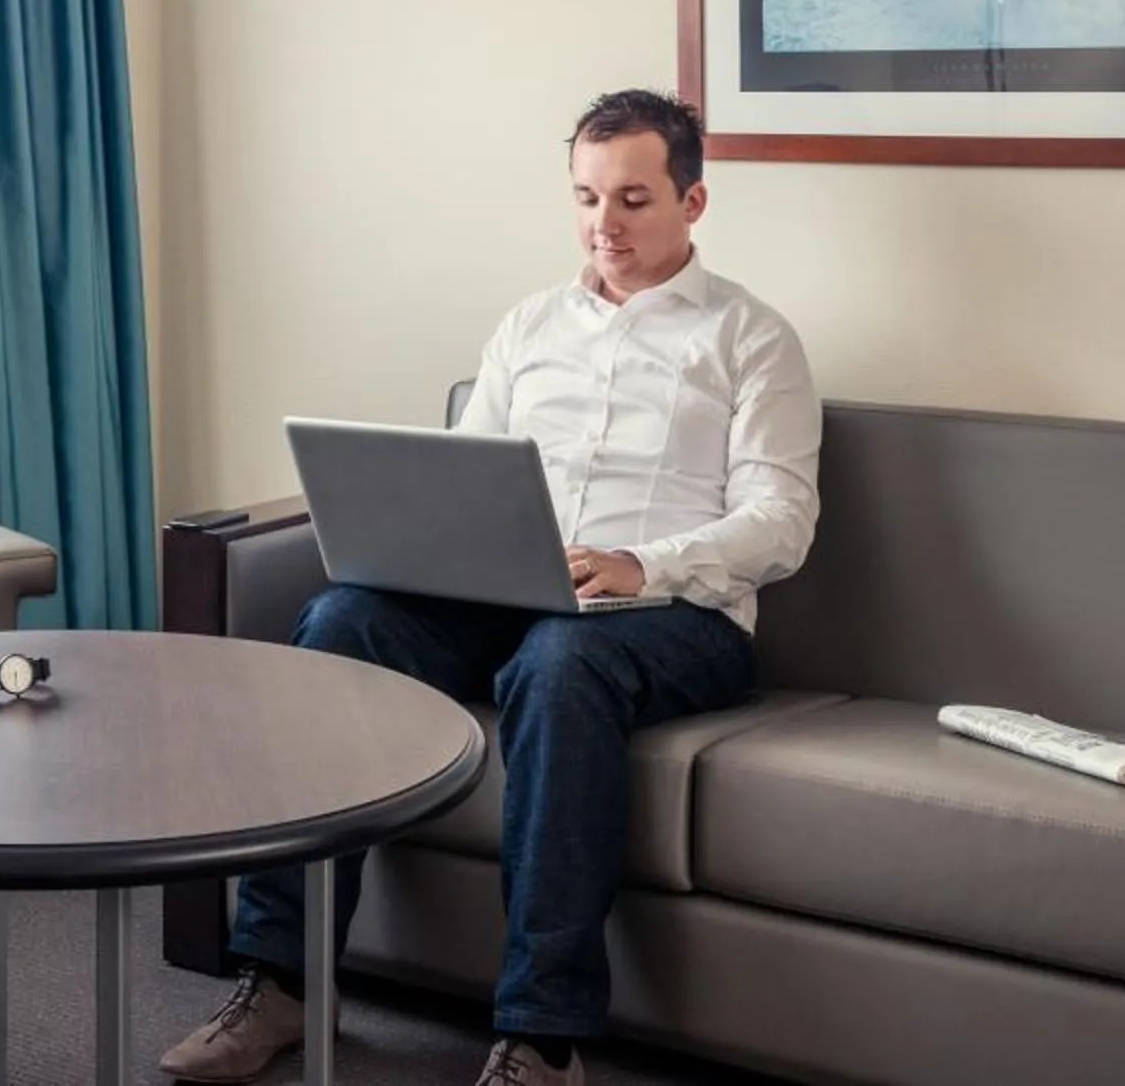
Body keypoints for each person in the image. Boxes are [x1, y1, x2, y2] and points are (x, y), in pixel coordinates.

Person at [160, 88, 823, 1086]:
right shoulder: (529, 326)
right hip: (518, 600)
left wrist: (644, 563)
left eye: (633, 199)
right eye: (587, 198)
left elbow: (782, 521)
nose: (605, 225)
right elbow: (466, 483)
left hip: (677, 617)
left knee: (560, 663)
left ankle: (542, 1036)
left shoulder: (752, 339)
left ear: (692, 202)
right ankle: (282, 978)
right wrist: (428, 553)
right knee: (340, 622)